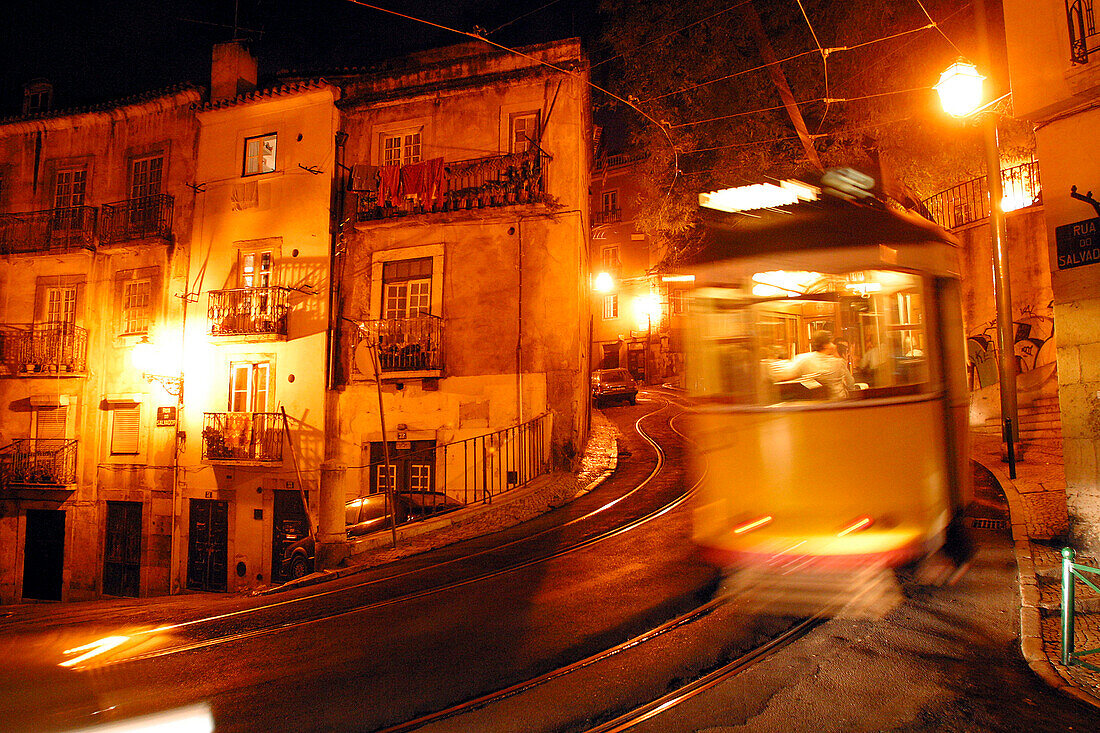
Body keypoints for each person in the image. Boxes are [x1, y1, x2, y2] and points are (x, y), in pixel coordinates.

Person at [771, 331, 855, 399]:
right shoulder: (838, 362)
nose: (834, 345)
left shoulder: (804, 359)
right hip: (838, 403)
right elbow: (850, 382)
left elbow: (785, 374)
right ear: (826, 345)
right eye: (830, 342)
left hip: (816, 405)